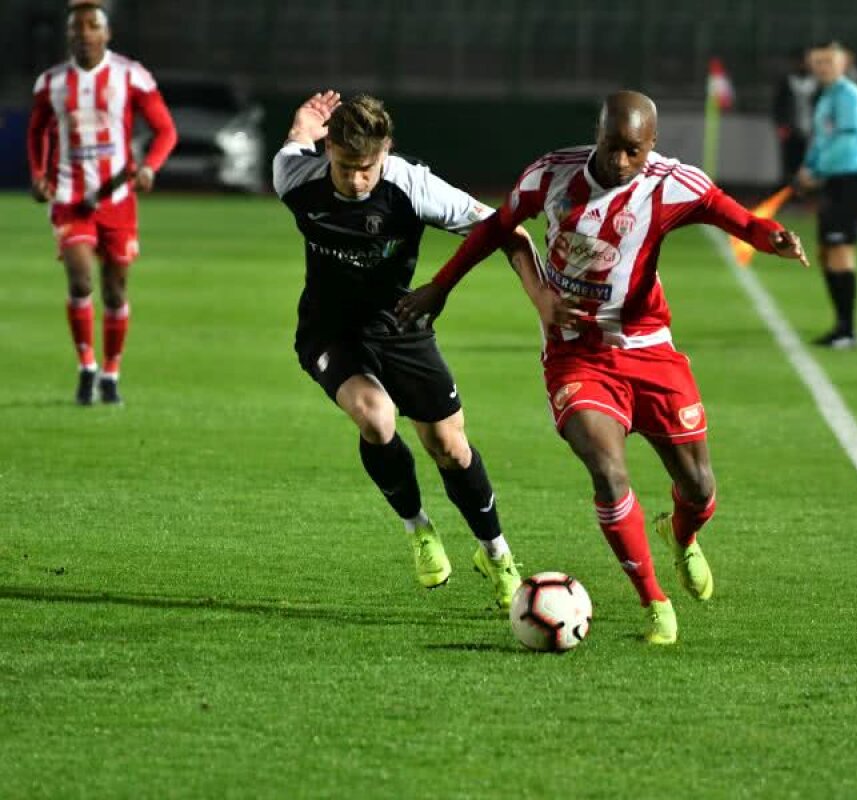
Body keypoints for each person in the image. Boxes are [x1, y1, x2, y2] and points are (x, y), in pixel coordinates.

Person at [396, 90, 809, 645]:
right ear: (598, 133)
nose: (619, 162)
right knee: (610, 474)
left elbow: (734, 217)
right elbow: (498, 228)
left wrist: (771, 237)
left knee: (700, 488)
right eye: (611, 146)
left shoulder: (670, 184)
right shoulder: (551, 176)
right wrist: (440, 287)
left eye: (632, 151)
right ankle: (655, 604)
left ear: (652, 146)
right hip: (576, 354)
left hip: (649, 348)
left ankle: (681, 537)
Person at [273, 91, 536, 609]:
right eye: (345, 166)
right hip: (329, 329)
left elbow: (505, 230)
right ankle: (419, 530)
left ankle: (496, 551)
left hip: (401, 324)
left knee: (449, 448)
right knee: (376, 418)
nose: (355, 180)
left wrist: (540, 299)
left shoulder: (410, 184)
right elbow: (295, 143)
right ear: (328, 150)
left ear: (386, 152)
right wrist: (301, 126)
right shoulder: (293, 179)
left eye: (367, 168)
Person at [26, 1, 177, 405]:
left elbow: (165, 130)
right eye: (77, 27)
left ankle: (111, 373)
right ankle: (86, 366)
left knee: (114, 290)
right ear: (69, 35)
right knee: (80, 280)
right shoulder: (52, 83)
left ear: (106, 34)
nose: (85, 33)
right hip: (68, 196)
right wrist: (39, 174)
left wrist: (150, 167)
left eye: (93, 26)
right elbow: (37, 131)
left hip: (117, 199)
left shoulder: (131, 76)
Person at [796, 40, 857, 349]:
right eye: (817, 62)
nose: (821, 68)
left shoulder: (851, 98)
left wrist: (815, 172)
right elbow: (821, 142)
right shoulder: (826, 98)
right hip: (832, 180)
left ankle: (848, 329)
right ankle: (841, 325)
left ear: (844, 64)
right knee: (827, 253)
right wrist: (808, 168)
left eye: (828, 62)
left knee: (840, 251)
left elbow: (844, 141)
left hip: (848, 180)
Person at [772, 49, 818, 187]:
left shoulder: (815, 82)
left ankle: (800, 193)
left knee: (804, 163)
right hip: (790, 128)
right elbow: (778, 105)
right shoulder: (787, 81)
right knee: (787, 163)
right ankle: (786, 192)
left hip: (808, 129)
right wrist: (781, 125)